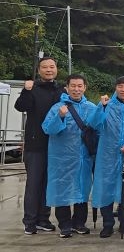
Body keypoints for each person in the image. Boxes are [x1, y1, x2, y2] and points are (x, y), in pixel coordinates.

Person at [42, 74, 98, 238]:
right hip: (62, 159)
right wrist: (60, 116)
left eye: (80, 86)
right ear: (67, 87)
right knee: (62, 191)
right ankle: (65, 225)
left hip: (85, 158)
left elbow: (99, 128)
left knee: (82, 190)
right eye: (73, 86)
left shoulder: (91, 107)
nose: (76, 89)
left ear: (85, 87)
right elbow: (48, 129)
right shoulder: (57, 107)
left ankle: (79, 223)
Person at [14, 57, 64, 235]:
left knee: (48, 184)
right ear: (39, 70)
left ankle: (44, 218)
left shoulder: (61, 90)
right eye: (45, 67)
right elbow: (20, 107)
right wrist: (26, 91)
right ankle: (30, 221)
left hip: (56, 145)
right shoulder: (32, 88)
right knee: (34, 184)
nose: (49, 70)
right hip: (36, 145)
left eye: (52, 67)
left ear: (56, 69)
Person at [91, 76, 124, 238]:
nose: (123, 89)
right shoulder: (107, 105)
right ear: (115, 88)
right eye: (120, 86)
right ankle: (107, 224)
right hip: (107, 153)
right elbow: (94, 124)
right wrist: (101, 108)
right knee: (106, 187)